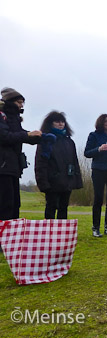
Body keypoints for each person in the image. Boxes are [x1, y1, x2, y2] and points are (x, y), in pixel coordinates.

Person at [0, 87, 42, 253]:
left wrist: (36, 137)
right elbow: (4, 137)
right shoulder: (2, 117)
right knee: (5, 205)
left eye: (22, 102)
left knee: (15, 204)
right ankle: (3, 241)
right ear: (10, 102)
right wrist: (27, 135)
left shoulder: (15, 119)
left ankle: (12, 239)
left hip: (13, 168)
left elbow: (19, 134)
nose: (21, 104)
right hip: (2, 168)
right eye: (19, 101)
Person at [35, 111, 83, 219]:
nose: (61, 124)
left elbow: (74, 162)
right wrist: (43, 183)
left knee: (63, 208)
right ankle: (48, 233)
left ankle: (62, 233)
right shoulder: (46, 141)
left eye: (62, 121)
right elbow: (41, 163)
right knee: (51, 207)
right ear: (51, 123)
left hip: (67, 181)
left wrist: (76, 180)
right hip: (52, 182)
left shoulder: (69, 142)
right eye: (57, 121)